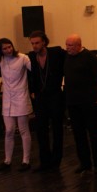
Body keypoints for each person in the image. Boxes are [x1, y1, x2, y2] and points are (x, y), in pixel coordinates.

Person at [64, 34, 97, 174]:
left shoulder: (89, 57)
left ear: (78, 45)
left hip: (89, 102)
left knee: (94, 133)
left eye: (70, 45)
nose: (67, 48)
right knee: (78, 134)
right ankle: (85, 163)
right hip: (73, 102)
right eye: (67, 45)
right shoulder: (67, 57)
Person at [28, 30, 67, 172]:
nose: (34, 46)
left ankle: (56, 161)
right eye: (32, 43)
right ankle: (44, 161)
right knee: (41, 130)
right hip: (40, 97)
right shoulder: (31, 57)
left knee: (57, 129)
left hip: (55, 95)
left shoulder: (56, 53)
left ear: (44, 42)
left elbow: (71, 55)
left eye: (37, 43)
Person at [0, 38, 33, 172]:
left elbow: (34, 69)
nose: (8, 50)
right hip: (7, 100)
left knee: (23, 129)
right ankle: (7, 160)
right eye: (5, 48)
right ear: (1, 51)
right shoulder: (1, 61)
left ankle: (26, 160)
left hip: (21, 97)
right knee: (9, 130)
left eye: (9, 47)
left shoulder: (23, 58)